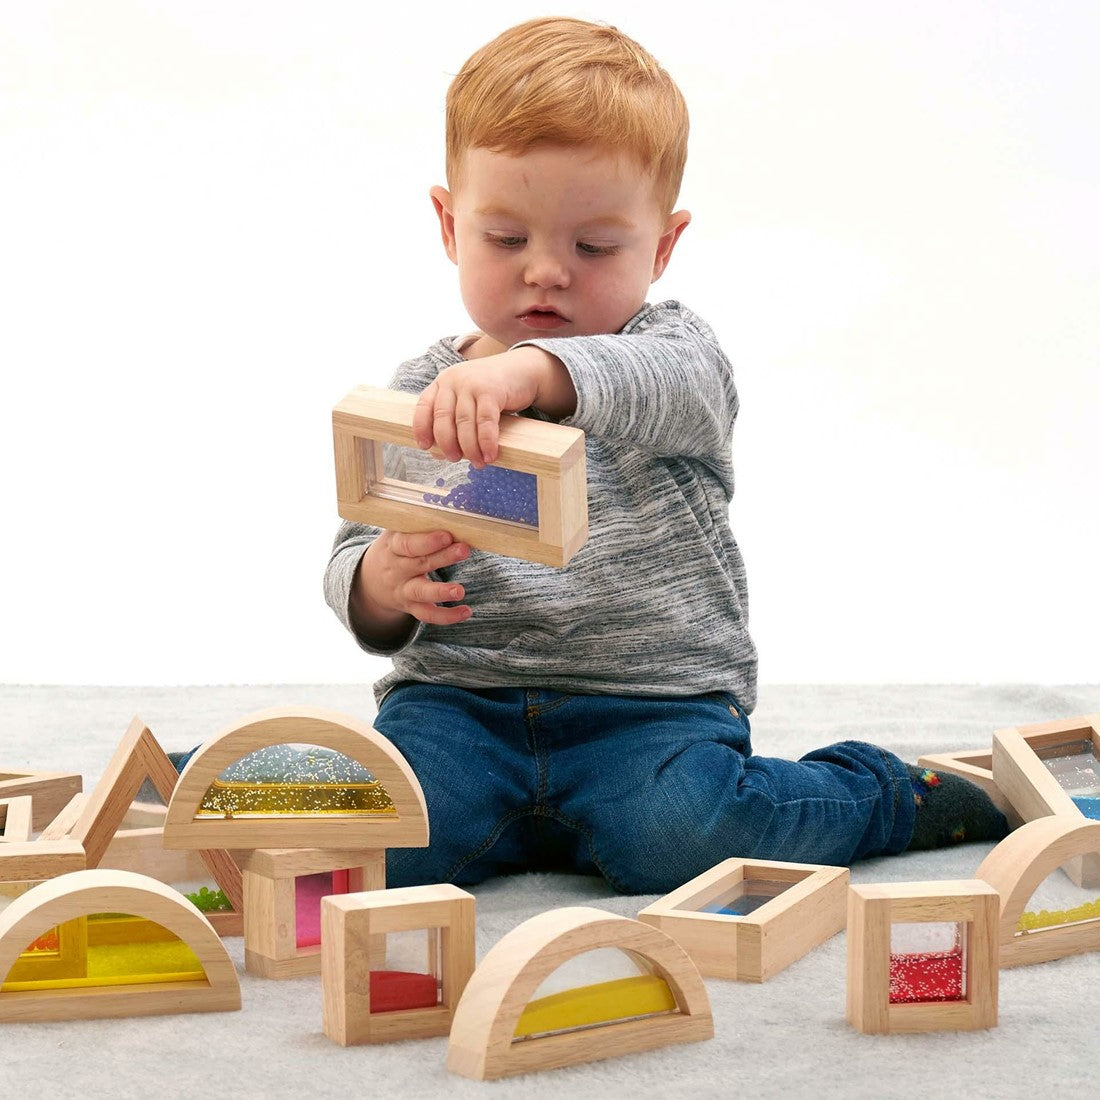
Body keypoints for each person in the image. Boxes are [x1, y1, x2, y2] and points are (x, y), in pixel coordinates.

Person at [322, 16, 1006, 894]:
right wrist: (383, 583)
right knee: (377, 838)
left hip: (648, 715)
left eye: (594, 246)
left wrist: (534, 372)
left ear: (663, 246)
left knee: (685, 836)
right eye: (505, 239)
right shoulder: (423, 389)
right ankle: (232, 783)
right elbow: (351, 556)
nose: (546, 273)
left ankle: (891, 797)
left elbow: (659, 381)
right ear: (450, 226)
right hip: (459, 710)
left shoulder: (675, 353)